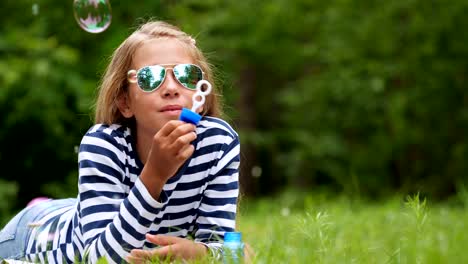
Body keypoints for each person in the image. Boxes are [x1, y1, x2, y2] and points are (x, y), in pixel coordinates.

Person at [0, 20, 240, 264]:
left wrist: (201, 252)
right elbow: (100, 259)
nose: (170, 88)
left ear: (200, 90)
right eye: (150, 77)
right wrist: (155, 174)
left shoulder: (217, 142)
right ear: (125, 102)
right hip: (29, 243)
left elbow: (226, 249)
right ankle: (42, 209)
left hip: (87, 216)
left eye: (186, 75)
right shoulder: (104, 144)